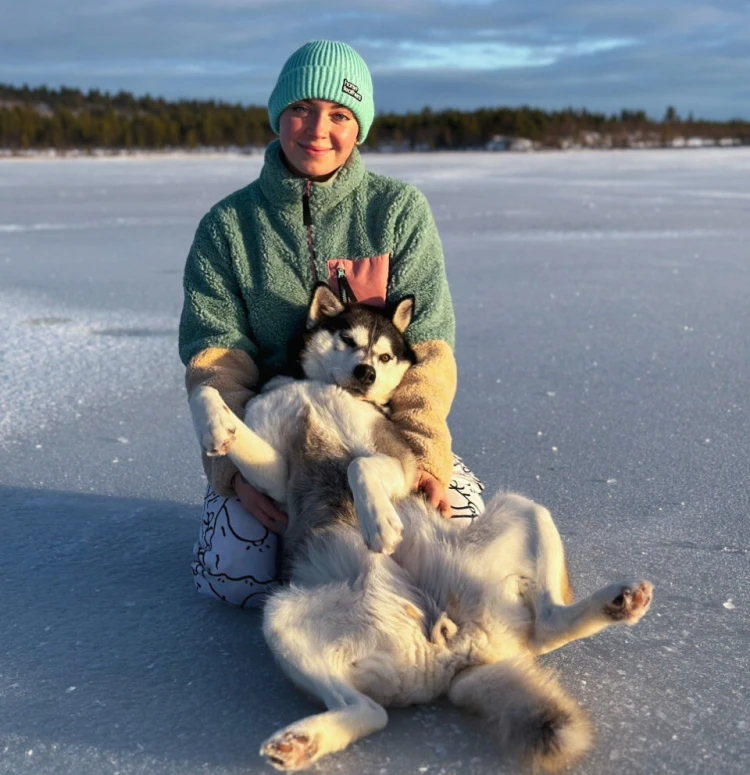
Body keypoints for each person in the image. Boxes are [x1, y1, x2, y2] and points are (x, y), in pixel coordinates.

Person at [179, 40, 484, 608]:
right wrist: (231, 475)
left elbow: (430, 355)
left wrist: (423, 456)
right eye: (301, 109)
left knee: (459, 529)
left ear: (359, 127)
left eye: (340, 114)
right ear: (278, 116)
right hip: (279, 439)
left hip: (377, 435)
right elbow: (214, 360)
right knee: (233, 581)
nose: (318, 128)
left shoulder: (396, 212)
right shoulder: (229, 227)